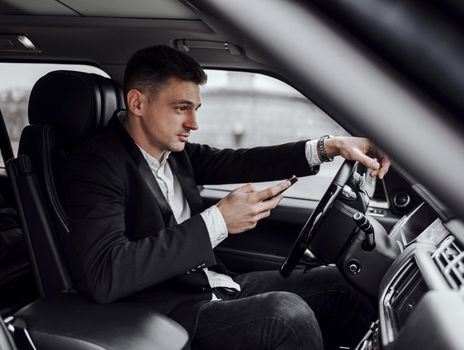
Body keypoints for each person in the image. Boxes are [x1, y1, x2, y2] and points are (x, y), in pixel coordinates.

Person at [61, 45, 390, 350]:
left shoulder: (174, 153)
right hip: (162, 311)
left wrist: (328, 147)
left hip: (210, 284)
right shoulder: (96, 165)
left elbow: (242, 160)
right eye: (181, 108)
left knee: (340, 282)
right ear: (137, 103)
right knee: (287, 314)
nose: (194, 123)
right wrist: (218, 221)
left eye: (196, 109)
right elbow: (106, 273)